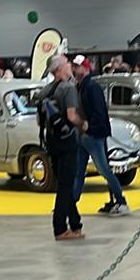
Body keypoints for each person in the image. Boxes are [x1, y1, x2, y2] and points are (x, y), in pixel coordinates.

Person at [71, 53, 129, 216]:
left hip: (93, 135)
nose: (75, 69)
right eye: (74, 66)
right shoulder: (81, 86)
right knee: (79, 170)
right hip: (85, 135)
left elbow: (99, 112)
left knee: (104, 170)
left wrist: (89, 127)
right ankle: (71, 202)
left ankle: (121, 201)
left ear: (86, 68)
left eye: (78, 66)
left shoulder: (91, 87)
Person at [38, 49, 85, 240]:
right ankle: (59, 228)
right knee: (66, 186)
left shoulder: (44, 91)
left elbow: (39, 121)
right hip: (68, 142)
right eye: (67, 64)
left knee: (63, 182)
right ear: (59, 69)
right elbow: (72, 116)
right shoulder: (68, 89)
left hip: (52, 142)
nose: (70, 66)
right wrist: (84, 124)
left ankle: (75, 223)